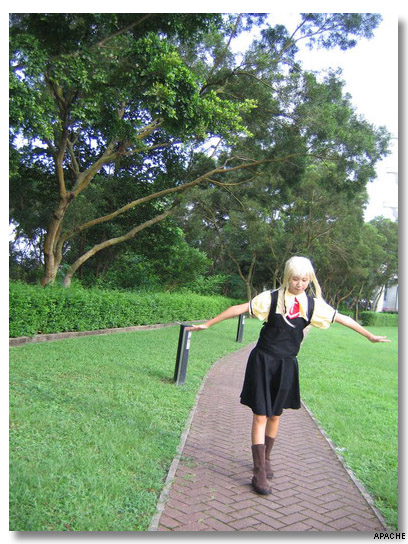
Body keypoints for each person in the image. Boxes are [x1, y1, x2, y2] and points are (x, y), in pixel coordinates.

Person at [186, 256, 390, 495]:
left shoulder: (313, 305)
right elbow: (239, 308)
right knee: (261, 414)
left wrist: (369, 336)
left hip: (287, 365)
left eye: (304, 280)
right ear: (287, 277)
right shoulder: (271, 298)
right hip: (263, 361)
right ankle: (259, 471)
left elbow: (342, 318)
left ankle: (266, 458)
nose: (300, 284)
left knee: (275, 415)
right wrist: (208, 324)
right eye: (295, 279)